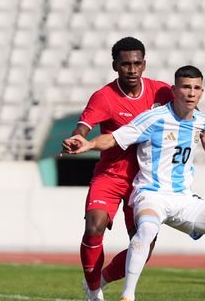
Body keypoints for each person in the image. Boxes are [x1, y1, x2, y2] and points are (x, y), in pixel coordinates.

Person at [63, 65, 205, 301]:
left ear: (202, 92)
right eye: (186, 87)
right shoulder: (154, 118)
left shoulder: (201, 121)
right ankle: (128, 296)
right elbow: (115, 138)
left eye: (196, 88)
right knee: (145, 230)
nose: (191, 93)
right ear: (173, 90)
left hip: (183, 197)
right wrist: (89, 144)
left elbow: (201, 126)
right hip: (151, 194)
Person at [65, 37, 175, 301]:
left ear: (145, 64)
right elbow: (84, 125)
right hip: (111, 175)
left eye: (137, 63)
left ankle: (99, 280)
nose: (132, 69)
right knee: (94, 225)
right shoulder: (104, 97)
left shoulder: (161, 92)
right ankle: (93, 292)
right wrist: (78, 137)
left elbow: (187, 109)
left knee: (143, 246)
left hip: (146, 180)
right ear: (115, 65)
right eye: (126, 64)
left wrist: (202, 131)